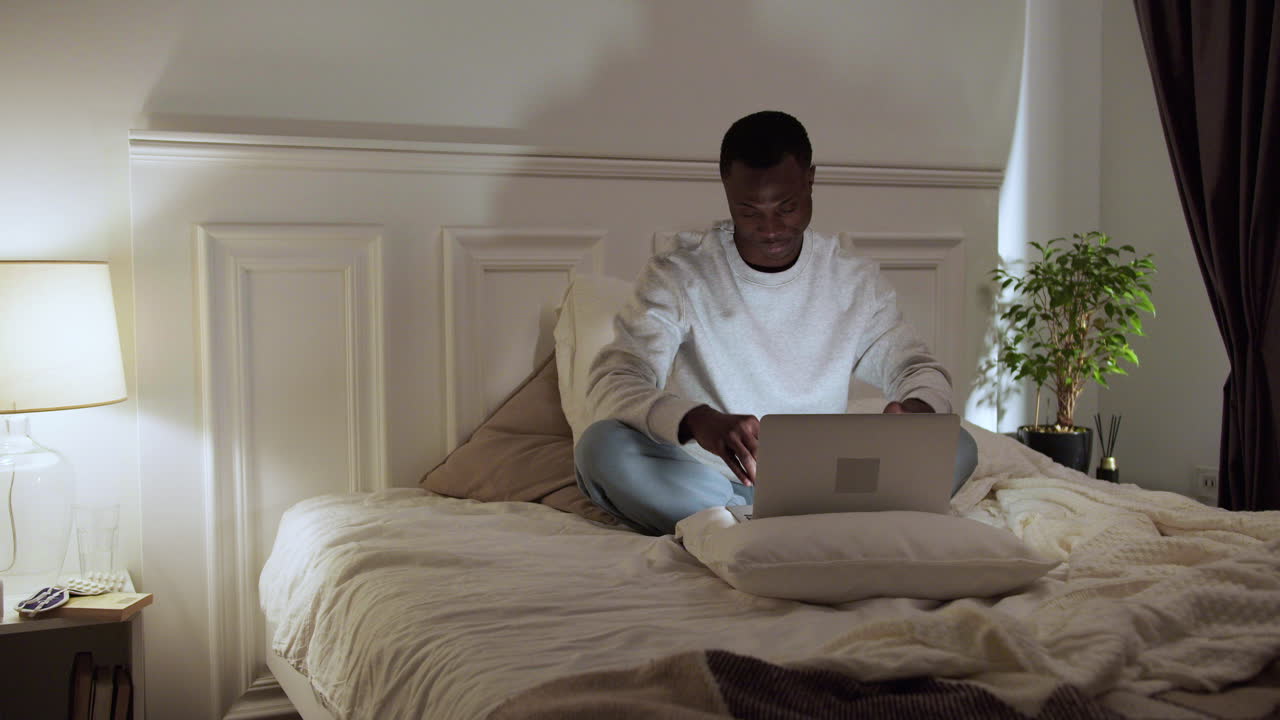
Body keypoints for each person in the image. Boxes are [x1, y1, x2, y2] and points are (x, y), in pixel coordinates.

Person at [574, 110, 977, 535]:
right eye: (749, 211)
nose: (769, 229)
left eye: (786, 208)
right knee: (600, 450)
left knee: (958, 444)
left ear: (810, 180)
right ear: (727, 192)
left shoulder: (852, 280)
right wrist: (697, 420)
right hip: (709, 480)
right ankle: (764, 527)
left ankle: (746, 529)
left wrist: (914, 410)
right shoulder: (681, 273)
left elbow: (918, 369)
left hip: (827, 483)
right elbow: (614, 380)